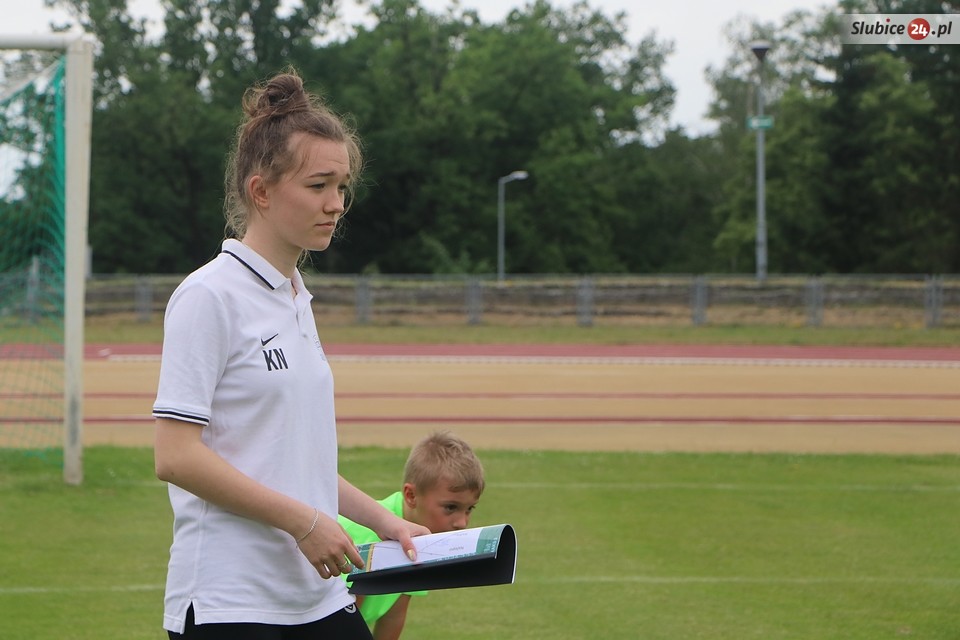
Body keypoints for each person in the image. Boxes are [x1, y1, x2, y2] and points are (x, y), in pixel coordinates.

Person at [152, 69, 430, 640]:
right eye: (318, 185)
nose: (336, 204)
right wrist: (304, 523)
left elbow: (297, 461)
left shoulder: (295, 297)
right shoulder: (209, 295)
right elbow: (176, 457)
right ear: (261, 191)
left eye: (342, 187)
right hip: (231, 603)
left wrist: (387, 523)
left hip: (318, 596)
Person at [339, 431, 486, 640]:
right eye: (451, 507)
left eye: (469, 509)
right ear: (411, 496)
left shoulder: (422, 543)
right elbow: (345, 619)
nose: (462, 523)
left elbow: (394, 615)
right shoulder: (370, 538)